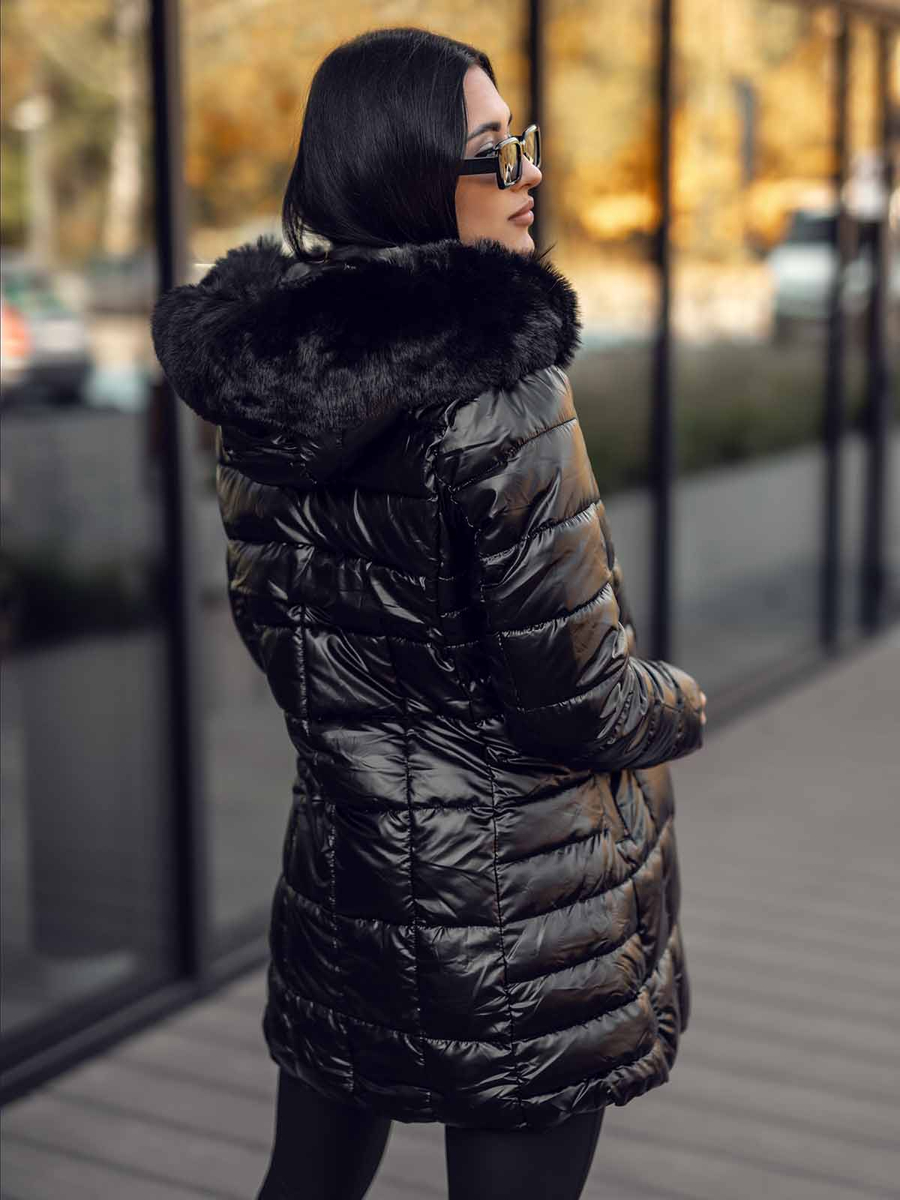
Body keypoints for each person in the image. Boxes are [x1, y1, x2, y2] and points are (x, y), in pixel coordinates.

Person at [151, 26, 707, 1200]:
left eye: (523, 141)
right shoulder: (502, 387)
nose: (531, 173)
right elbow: (580, 699)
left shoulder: (263, 388)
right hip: (520, 906)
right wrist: (680, 702)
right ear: (408, 176)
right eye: (495, 151)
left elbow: (294, 647)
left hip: (348, 880)